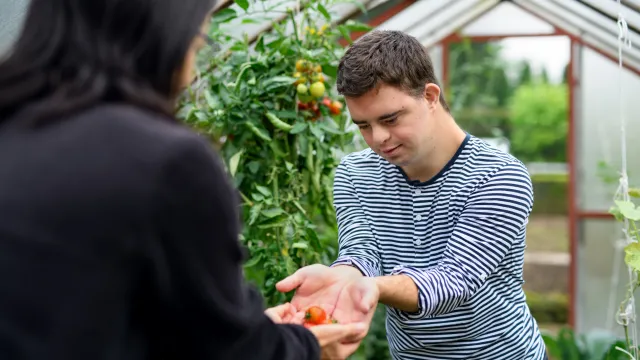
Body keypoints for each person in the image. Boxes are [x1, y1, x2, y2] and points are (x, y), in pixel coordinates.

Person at [0, 0, 368, 359]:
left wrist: (240, 325)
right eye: (195, 44)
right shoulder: (164, 162)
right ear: (162, 39)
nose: (190, 71)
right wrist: (302, 345)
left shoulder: (14, 129)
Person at [277, 30, 548, 359]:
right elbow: (363, 252)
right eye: (363, 125)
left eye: (390, 119)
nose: (378, 138)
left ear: (430, 96)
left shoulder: (498, 176)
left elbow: (454, 281)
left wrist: (373, 287)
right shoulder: (355, 174)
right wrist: (341, 278)